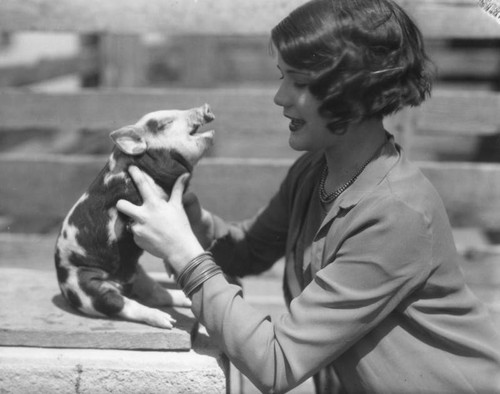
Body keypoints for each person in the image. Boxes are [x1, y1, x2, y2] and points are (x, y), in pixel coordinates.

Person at [116, 0, 500, 392]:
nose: (280, 97)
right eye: (283, 77)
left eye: (299, 82)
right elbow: (247, 250)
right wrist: (191, 222)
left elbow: (277, 364)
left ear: (354, 91)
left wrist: (183, 253)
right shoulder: (315, 171)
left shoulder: (395, 214)